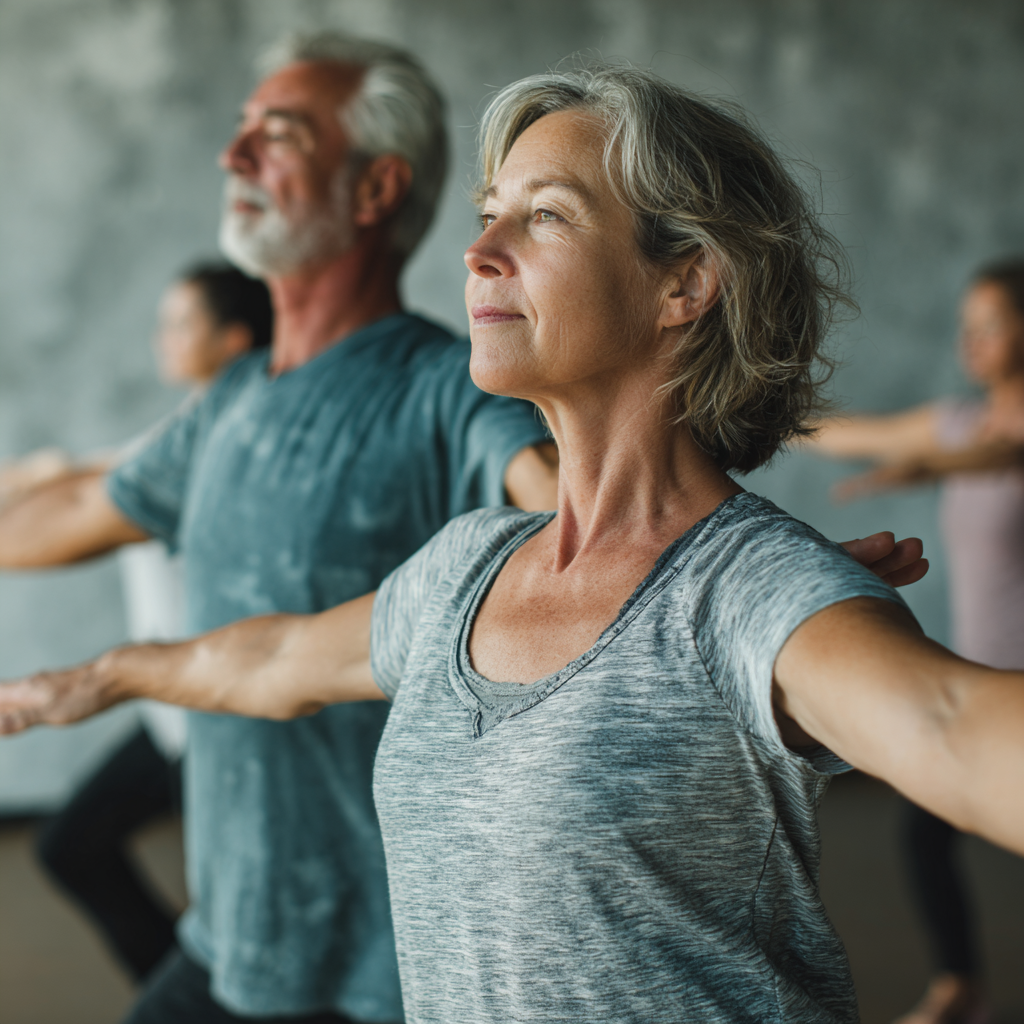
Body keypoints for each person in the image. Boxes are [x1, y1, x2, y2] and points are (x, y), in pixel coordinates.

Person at [6, 61, 1021, 1024]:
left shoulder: (754, 597)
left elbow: (953, 731)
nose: (479, 248)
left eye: (543, 215)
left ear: (685, 283)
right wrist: (100, 678)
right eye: (488, 212)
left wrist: (783, 589)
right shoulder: (463, 567)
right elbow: (272, 659)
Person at [0, 31, 566, 1024]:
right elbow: (67, 518)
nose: (236, 155)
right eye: (240, 130)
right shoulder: (229, 401)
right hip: (233, 938)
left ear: (374, 188)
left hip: (385, 970)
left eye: (281, 133)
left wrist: (735, 561)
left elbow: (576, 504)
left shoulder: (443, 386)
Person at [2, 263, 271, 983]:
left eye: (182, 322)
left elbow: (81, 488)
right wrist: (31, 476)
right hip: (171, 717)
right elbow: (80, 471)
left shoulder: (226, 445)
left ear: (236, 340)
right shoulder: (178, 433)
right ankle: (179, 989)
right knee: (72, 848)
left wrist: (36, 482)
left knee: (243, 918)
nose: (162, 337)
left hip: (217, 721)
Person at [809, 259, 1024, 1024]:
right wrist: (764, 415)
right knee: (925, 837)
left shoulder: (993, 438)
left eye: (992, 324)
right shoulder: (961, 418)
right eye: (968, 326)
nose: (974, 341)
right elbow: (855, 435)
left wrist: (926, 466)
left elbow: (1005, 455)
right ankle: (960, 987)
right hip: (975, 677)